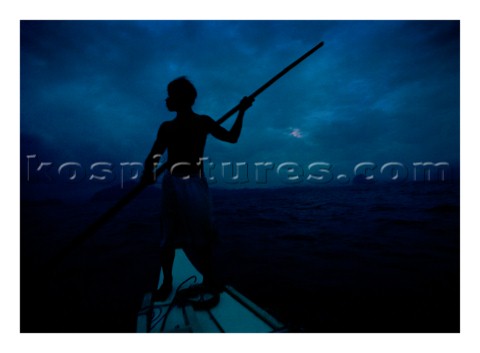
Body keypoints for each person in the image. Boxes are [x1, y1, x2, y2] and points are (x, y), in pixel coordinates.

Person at [141, 76, 253, 300]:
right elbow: (153, 157)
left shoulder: (202, 122)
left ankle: (209, 282)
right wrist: (148, 172)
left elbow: (232, 138)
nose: (166, 100)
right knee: (168, 235)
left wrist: (242, 111)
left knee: (202, 235)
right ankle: (168, 282)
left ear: (179, 99)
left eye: (170, 95)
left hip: (194, 185)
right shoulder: (169, 127)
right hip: (172, 184)